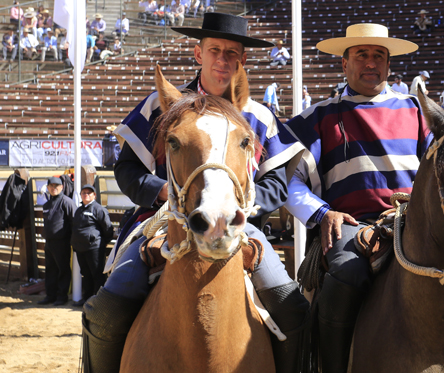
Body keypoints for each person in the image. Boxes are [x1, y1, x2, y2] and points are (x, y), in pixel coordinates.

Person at [82, 13, 309, 373]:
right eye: (214, 50)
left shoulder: (259, 116)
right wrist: (162, 194)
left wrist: (239, 206)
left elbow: (277, 185)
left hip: (239, 226)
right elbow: (126, 169)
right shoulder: (161, 106)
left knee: (291, 305)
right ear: (197, 53)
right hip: (158, 225)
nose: (223, 60)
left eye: (232, 53)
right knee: (105, 311)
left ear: (243, 60)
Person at [282, 23, 431, 373]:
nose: (370, 63)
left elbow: (440, 167)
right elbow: (285, 181)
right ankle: (326, 365)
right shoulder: (317, 117)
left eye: (378, 55)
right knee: (348, 272)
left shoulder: (416, 110)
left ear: (389, 65)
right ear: (344, 64)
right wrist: (321, 215)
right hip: (352, 225)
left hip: (415, 223)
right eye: (361, 55)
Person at [71, 184, 113, 308]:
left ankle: (99, 302)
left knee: (97, 274)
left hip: (94, 248)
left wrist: (102, 242)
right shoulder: (79, 210)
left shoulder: (98, 209)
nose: (86, 195)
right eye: (84, 192)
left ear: (94, 195)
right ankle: (87, 300)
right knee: (85, 274)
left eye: (89, 193)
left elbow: (108, 228)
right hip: (80, 248)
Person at [39, 177, 75, 306]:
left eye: (56, 186)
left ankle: (62, 296)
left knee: (62, 269)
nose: (54, 188)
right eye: (51, 186)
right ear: (48, 188)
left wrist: (72, 240)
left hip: (62, 242)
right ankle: (50, 295)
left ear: (61, 187)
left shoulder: (67, 202)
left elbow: (74, 222)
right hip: (49, 242)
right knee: (50, 270)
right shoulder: (47, 204)